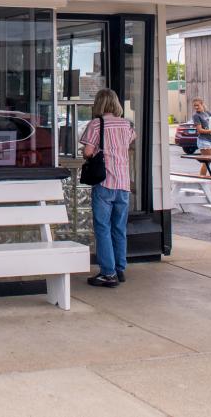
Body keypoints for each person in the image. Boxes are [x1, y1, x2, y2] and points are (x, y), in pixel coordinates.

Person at [81, 88, 136, 288]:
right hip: (123, 183)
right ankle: (120, 268)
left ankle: (107, 272)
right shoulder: (126, 125)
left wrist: (93, 151)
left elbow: (88, 152)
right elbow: (129, 142)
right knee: (119, 228)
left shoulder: (96, 125)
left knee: (102, 228)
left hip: (105, 183)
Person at [191, 98, 211, 179]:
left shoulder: (208, 113)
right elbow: (200, 130)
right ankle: (200, 184)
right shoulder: (196, 116)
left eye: (197, 105)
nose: (196, 107)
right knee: (207, 163)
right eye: (194, 106)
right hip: (203, 141)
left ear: (202, 104)